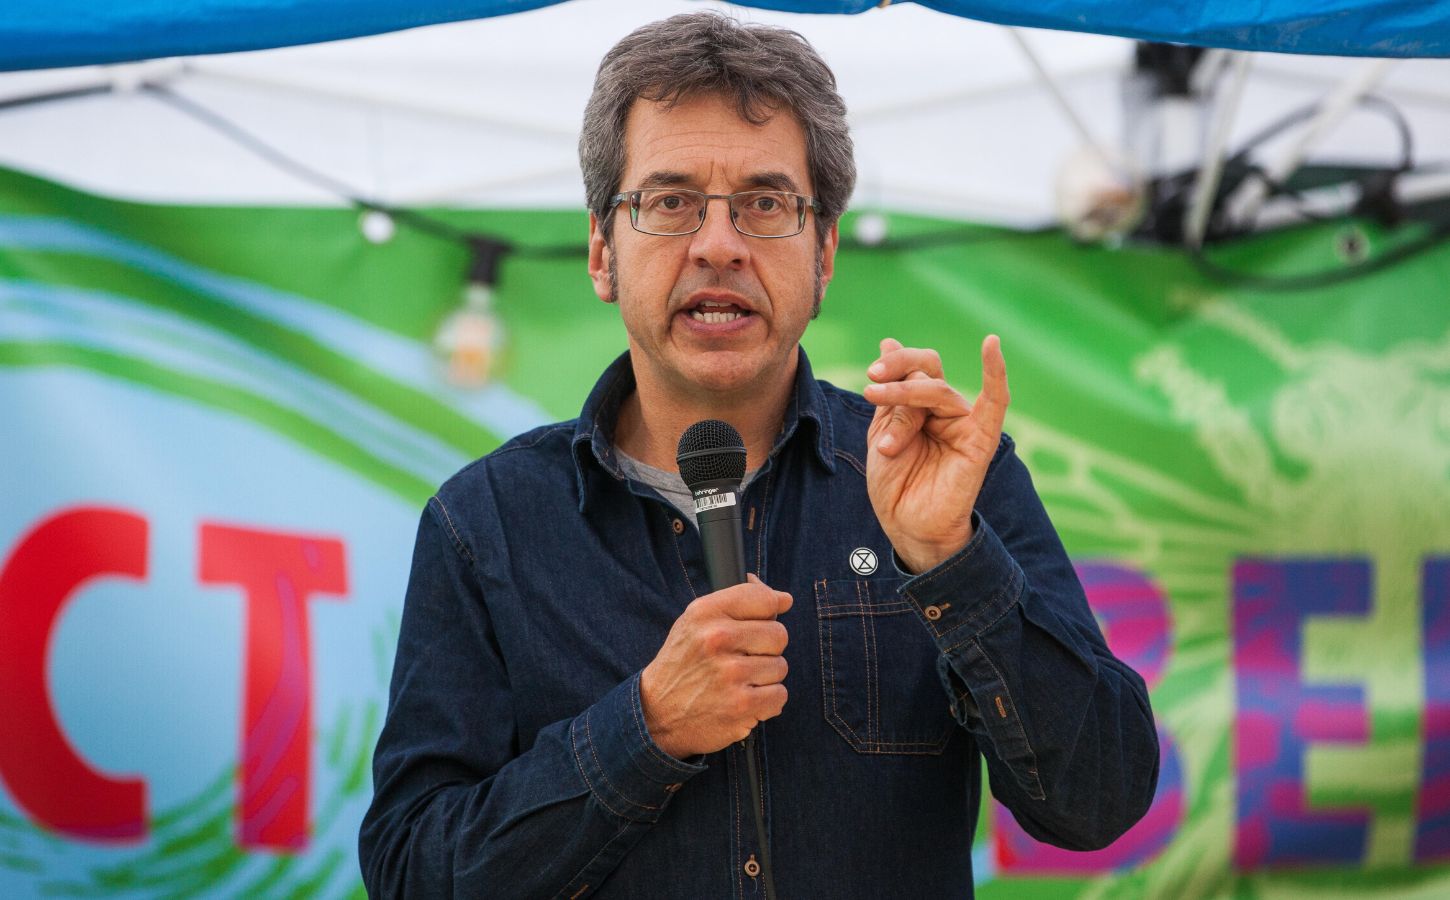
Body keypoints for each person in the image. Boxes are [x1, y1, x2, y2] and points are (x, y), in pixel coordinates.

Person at [360, 12, 1158, 898]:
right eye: (669, 202)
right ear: (601, 252)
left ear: (824, 254)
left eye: (766, 204)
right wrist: (646, 728)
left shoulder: (943, 482)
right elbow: (410, 873)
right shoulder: (488, 524)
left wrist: (950, 563)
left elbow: (1100, 801)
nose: (717, 244)